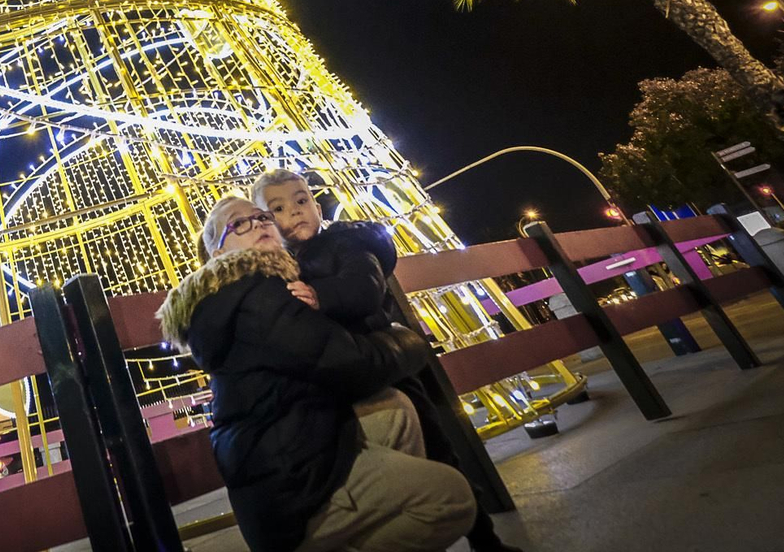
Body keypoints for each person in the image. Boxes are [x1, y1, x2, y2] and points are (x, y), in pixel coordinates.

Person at [157, 194, 476, 552]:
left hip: (293, 456)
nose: (260, 223)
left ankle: (372, 524)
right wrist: (408, 340)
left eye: (262, 216)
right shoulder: (255, 295)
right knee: (450, 497)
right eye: (239, 223)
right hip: (292, 488)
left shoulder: (256, 290)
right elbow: (350, 363)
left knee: (392, 408)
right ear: (218, 254)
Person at [250, 169, 523, 552]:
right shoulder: (277, 265)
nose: (294, 212)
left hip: (383, 363)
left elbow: (365, 289)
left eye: (301, 201)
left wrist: (320, 296)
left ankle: (484, 539)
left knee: (437, 448)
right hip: (340, 375)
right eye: (277, 208)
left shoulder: (346, 244)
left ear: (315, 202)